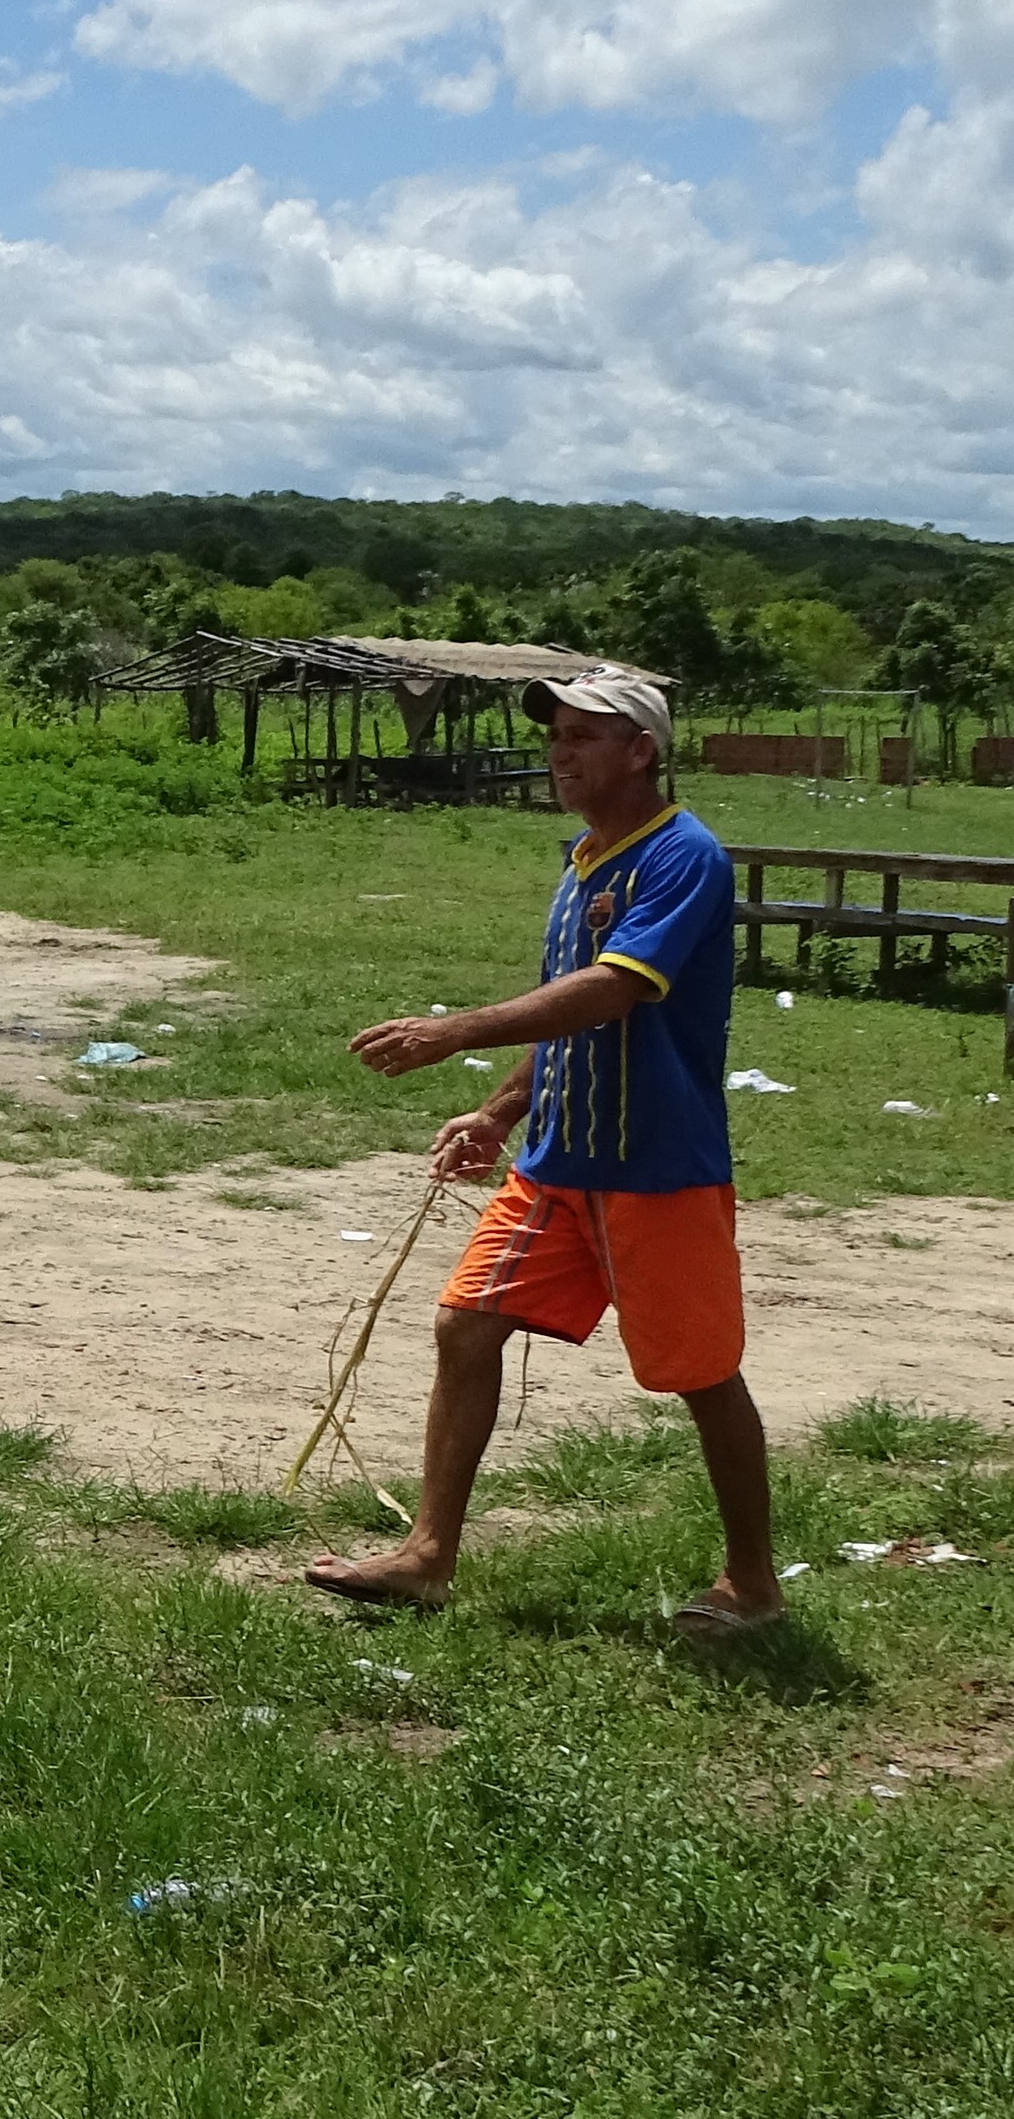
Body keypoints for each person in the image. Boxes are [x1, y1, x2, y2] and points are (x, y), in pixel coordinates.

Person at [309, 667, 779, 1639]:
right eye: (555, 734)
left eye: (581, 736)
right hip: (556, 1166)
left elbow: (615, 991)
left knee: (699, 1373)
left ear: (639, 749)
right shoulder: (581, 861)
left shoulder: (681, 856)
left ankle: (753, 1584)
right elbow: (567, 1020)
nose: (558, 752)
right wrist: (495, 1111)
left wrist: (453, 1030)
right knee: (466, 1326)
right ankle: (428, 1556)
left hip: (656, 1170)